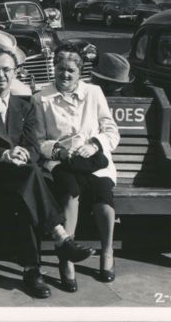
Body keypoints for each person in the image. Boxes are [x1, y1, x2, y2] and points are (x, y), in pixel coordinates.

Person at [0, 48, 95, 298]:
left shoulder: (25, 105)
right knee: (31, 179)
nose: (1, 75)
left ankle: (35, 268)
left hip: (20, 174)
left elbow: (33, 145)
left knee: (26, 188)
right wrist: (3, 154)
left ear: (16, 72)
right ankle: (57, 241)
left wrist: (23, 153)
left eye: (6, 69)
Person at [33, 42, 120, 288]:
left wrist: (94, 144)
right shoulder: (41, 98)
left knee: (103, 195)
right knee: (70, 193)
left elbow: (112, 132)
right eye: (60, 68)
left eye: (71, 70)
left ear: (80, 72)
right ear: (54, 68)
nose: (65, 74)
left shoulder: (94, 93)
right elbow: (37, 140)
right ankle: (67, 258)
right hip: (61, 163)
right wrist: (57, 149)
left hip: (93, 161)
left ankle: (107, 251)